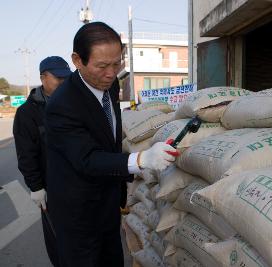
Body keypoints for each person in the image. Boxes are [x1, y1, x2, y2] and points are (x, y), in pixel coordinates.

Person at [45, 22, 178, 267]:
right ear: (77, 60)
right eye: (102, 66)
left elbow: (108, 133)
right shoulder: (62, 106)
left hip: (107, 201)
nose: (111, 73)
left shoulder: (110, 83)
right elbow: (87, 158)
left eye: (117, 64)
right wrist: (141, 160)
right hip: (78, 211)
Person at [13, 56, 72, 267]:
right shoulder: (27, 113)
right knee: (58, 241)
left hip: (78, 186)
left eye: (66, 78)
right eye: (58, 78)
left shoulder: (72, 106)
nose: (63, 83)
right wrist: (36, 187)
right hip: (51, 190)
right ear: (43, 77)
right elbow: (26, 155)